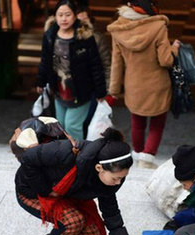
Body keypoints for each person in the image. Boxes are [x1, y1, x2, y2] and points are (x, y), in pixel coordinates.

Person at [15, 127, 139, 235]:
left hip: (65, 194)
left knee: (92, 233)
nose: (119, 182)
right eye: (116, 178)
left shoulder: (109, 181)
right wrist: (46, 191)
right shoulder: (67, 152)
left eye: (122, 178)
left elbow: (111, 213)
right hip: (33, 191)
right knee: (73, 222)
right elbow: (28, 158)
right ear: (99, 168)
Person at [107, 0, 180, 169]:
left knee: (137, 123)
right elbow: (166, 60)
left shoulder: (118, 29)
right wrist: (174, 49)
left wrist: (114, 89)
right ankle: (146, 160)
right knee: (157, 123)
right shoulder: (158, 27)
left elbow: (116, 63)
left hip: (134, 85)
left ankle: (138, 154)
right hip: (158, 84)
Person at [36, 0, 106, 140]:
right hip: (59, 90)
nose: (64, 18)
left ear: (75, 16)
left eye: (67, 14)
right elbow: (45, 61)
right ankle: (66, 157)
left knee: (72, 125)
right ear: (55, 16)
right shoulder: (50, 36)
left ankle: (78, 158)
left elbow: (95, 64)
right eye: (60, 14)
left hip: (81, 91)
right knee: (61, 126)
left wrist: (100, 90)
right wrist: (41, 81)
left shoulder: (85, 37)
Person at [76, 5, 113, 138]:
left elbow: (107, 64)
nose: (82, 24)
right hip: (74, 87)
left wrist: (107, 87)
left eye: (85, 20)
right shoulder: (66, 38)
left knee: (88, 120)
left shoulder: (97, 38)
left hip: (93, 86)